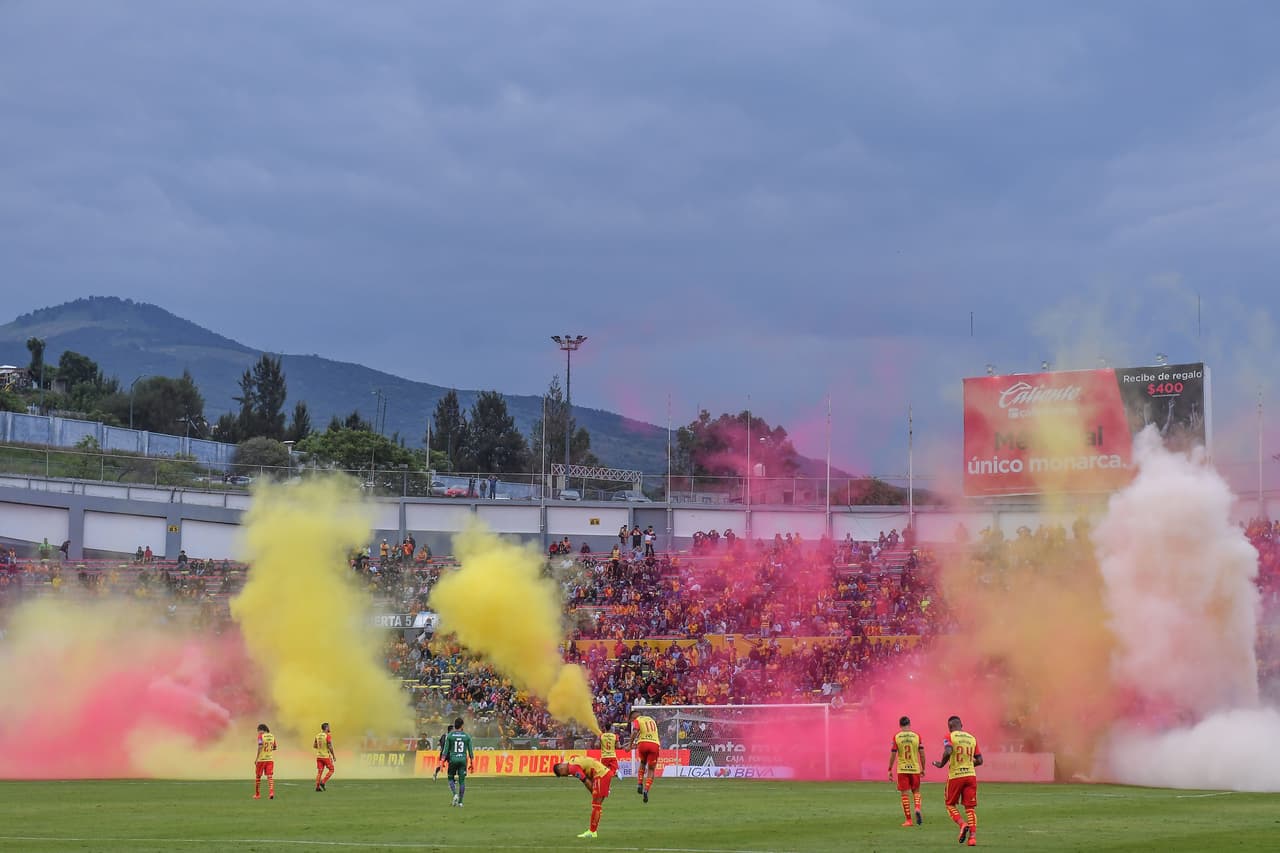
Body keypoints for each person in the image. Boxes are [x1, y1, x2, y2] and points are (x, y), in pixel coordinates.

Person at [933, 715, 982, 846]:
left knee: (950, 805)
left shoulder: (949, 736)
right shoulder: (972, 738)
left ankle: (962, 824)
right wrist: (968, 765)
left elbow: (948, 751)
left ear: (950, 727)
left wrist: (941, 764)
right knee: (970, 808)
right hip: (971, 776)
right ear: (961, 725)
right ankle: (972, 839)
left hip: (956, 776)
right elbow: (980, 760)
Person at [553, 754, 614, 839]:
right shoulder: (572, 760)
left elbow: (586, 781)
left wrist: (594, 792)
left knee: (596, 804)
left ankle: (592, 832)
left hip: (601, 775)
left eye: (563, 774)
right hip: (603, 773)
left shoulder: (572, 769)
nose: (566, 775)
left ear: (561, 768)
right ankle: (593, 830)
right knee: (597, 805)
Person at [887, 715, 924, 827]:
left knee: (904, 794)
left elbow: (893, 754)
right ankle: (917, 808)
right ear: (909, 724)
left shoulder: (897, 737)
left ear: (900, 725)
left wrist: (890, 768)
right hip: (915, 768)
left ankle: (909, 820)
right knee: (916, 792)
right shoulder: (917, 736)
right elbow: (922, 754)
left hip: (902, 769)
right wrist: (923, 768)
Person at [628, 708, 660, 803]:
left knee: (642, 763)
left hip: (643, 744)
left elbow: (635, 732)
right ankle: (646, 789)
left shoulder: (638, 720)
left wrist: (630, 745)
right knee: (651, 769)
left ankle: (639, 783)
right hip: (654, 744)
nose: (632, 722)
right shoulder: (651, 720)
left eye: (632, 720)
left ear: (634, 717)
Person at [444, 716, 474, 806]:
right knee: (462, 781)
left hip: (453, 759)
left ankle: (455, 794)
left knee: (450, 778)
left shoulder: (450, 735)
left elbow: (445, 751)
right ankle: (460, 802)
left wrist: (441, 762)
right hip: (463, 760)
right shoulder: (467, 736)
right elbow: (470, 752)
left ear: (455, 725)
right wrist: (472, 764)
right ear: (462, 725)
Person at [254, 723, 277, 800]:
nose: (258, 732)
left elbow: (260, 746)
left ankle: (257, 794)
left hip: (261, 760)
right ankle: (271, 792)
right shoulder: (272, 736)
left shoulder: (261, 736)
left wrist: (256, 758)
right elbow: (274, 747)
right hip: (270, 759)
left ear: (261, 730)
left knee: (258, 777)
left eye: (258, 731)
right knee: (270, 776)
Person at [313, 722, 336, 791]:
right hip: (325, 756)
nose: (329, 728)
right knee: (331, 769)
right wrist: (333, 755)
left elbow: (314, 746)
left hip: (319, 756)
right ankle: (323, 782)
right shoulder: (327, 736)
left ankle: (317, 787)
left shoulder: (317, 735)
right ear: (326, 728)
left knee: (319, 772)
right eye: (328, 727)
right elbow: (330, 747)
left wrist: (321, 747)